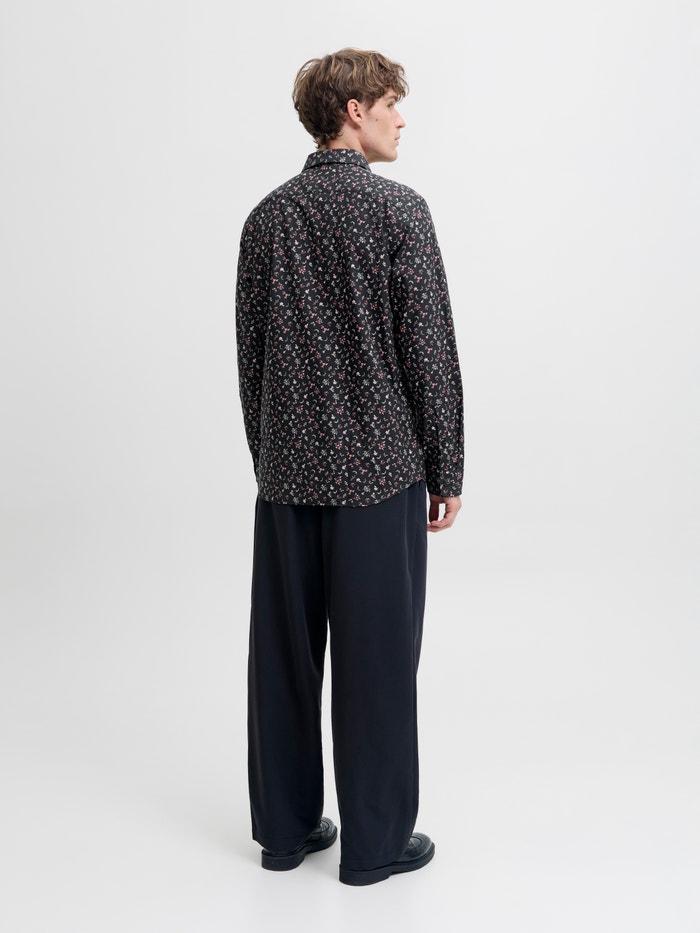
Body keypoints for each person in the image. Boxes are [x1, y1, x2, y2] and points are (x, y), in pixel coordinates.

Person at [235, 47, 464, 886]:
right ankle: (374, 845)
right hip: (379, 475)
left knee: (283, 658)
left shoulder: (267, 218)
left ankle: (285, 830)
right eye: (391, 102)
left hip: (288, 478)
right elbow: (427, 351)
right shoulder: (400, 212)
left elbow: (251, 359)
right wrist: (446, 465)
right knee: (376, 662)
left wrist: (272, 460)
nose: (402, 118)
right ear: (354, 111)